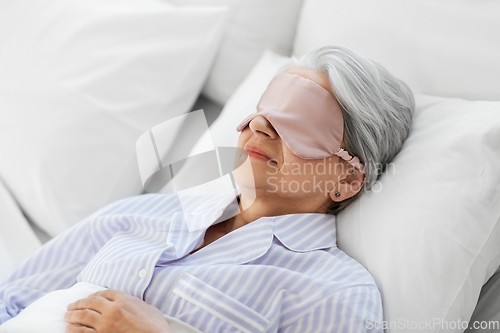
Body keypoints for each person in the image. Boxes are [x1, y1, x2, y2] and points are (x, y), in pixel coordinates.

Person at [0, 45, 414, 332]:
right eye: (262, 110)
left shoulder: (333, 294)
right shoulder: (138, 215)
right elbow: (11, 299)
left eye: (298, 123)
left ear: (347, 180)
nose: (258, 125)